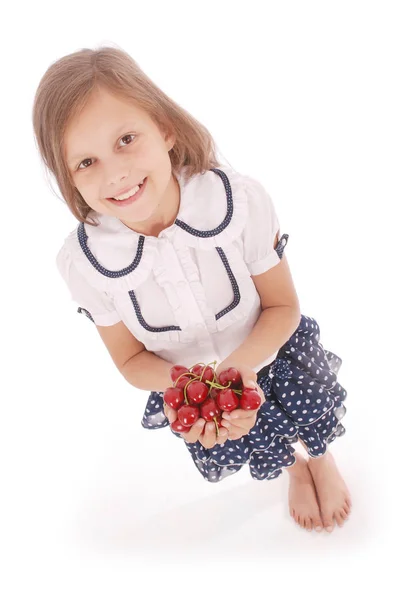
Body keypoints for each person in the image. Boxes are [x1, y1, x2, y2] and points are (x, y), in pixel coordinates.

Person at [32, 44, 351, 534]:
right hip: (194, 394)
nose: (115, 173)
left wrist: (241, 368)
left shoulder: (237, 201)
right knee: (261, 438)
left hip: (270, 351)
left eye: (126, 140)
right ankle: (294, 468)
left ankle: (321, 459)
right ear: (68, 179)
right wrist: (192, 391)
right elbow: (130, 361)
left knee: (309, 416)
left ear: (165, 128)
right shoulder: (84, 263)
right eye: (85, 162)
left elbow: (283, 305)